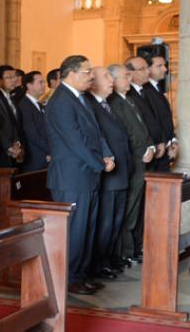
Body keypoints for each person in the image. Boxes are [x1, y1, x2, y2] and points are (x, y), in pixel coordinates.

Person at [45, 55, 114, 295]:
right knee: (75, 229)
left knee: (87, 228)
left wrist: (107, 155)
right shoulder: (61, 101)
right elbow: (75, 141)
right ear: (71, 73)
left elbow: (95, 133)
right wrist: (99, 163)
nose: (91, 76)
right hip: (71, 177)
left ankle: (80, 274)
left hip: (86, 174)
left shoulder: (79, 98)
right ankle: (69, 277)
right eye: (87, 72)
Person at [84, 66, 131, 282]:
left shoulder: (106, 104)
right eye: (106, 76)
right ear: (93, 83)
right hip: (108, 174)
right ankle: (98, 264)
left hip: (119, 172)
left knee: (115, 221)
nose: (111, 80)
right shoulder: (90, 105)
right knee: (105, 222)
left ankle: (108, 259)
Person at [106, 64, 155, 269]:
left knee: (135, 207)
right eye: (126, 76)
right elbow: (126, 134)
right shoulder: (115, 102)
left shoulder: (130, 100)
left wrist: (150, 145)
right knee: (129, 207)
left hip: (141, 159)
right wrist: (142, 151)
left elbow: (142, 128)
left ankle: (131, 249)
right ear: (114, 79)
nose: (129, 79)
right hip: (133, 161)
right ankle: (125, 251)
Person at [125, 56, 166, 176]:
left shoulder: (147, 91)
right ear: (130, 73)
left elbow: (156, 120)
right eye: (143, 69)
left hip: (156, 151)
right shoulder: (128, 94)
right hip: (142, 154)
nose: (148, 72)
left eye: (147, 68)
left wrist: (161, 141)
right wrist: (149, 147)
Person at [146, 55, 178, 168]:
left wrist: (173, 140)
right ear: (147, 69)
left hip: (166, 150)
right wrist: (166, 143)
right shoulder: (145, 91)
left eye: (164, 65)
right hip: (157, 151)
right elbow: (152, 122)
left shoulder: (157, 88)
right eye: (159, 66)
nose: (165, 69)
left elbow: (166, 119)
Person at [17, 71, 49, 172]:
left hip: (44, 156)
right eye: (40, 82)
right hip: (35, 159)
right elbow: (32, 134)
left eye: (44, 82)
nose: (44, 85)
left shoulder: (39, 104)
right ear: (29, 85)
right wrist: (50, 150)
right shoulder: (25, 105)